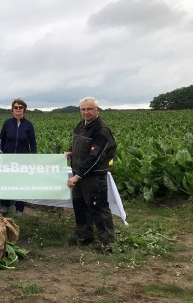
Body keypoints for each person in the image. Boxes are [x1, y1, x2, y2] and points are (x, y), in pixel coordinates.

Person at [66, 96, 117, 253]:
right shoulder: (81, 125)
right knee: (80, 206)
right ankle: (85, 236)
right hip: (79, 175)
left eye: (90, 109)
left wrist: (77, 176)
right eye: (83, 109)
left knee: (98, 208)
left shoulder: (101, 130)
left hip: (93, 177)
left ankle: (107, 243)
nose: (86, 112)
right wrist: (70, 152)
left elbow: (94, 158)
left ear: (97, 110)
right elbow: (78, 144)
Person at [0, 98, 37, 217]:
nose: (18, 109)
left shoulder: (28, 125)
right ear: (12, 110)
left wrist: (33, 157)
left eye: (20, 107)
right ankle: (5, 204)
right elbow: (1, 140)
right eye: (16, 107)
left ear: (24, 109)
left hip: (23, 159)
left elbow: (33, 142)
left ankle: (19, 207)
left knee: (21, 183)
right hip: (8, 158)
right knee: (6, 182)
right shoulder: (7, 123)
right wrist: (0, 154)